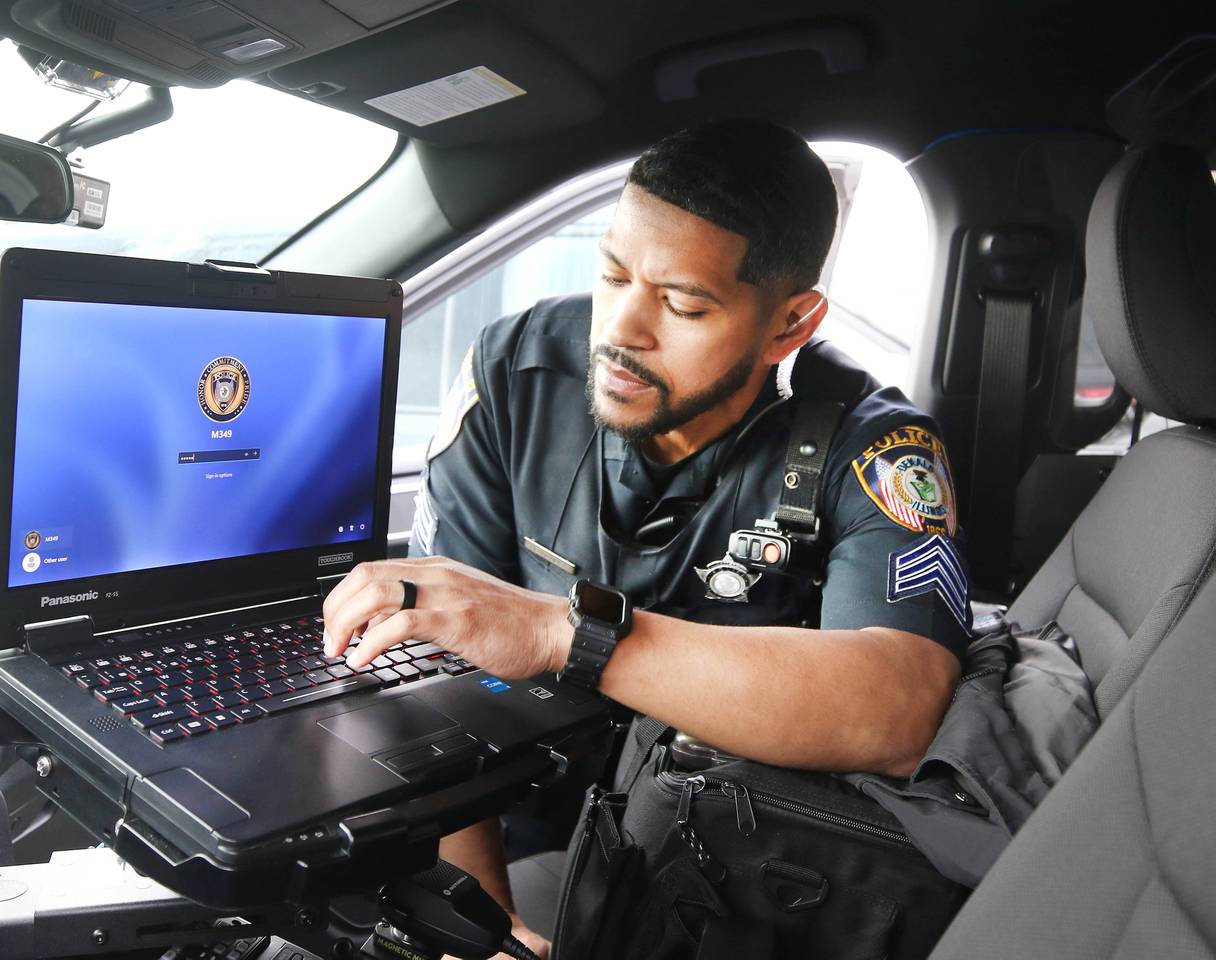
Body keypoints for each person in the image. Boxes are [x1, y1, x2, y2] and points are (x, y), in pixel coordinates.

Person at [321, 120, 971, 958]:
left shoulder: (878, 447)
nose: (622, 329)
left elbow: (902, 705)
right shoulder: (514, 371)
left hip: (725, 872)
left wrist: (561, 632)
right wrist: (480, 928)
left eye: (684, 303)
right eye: (613, 273)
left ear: (789, 323)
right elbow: (439, 660)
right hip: (512, 826)